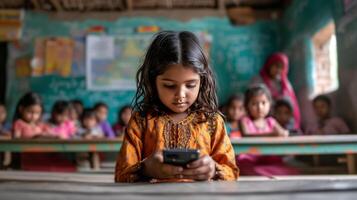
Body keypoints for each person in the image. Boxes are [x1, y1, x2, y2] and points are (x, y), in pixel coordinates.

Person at [115, 31, 238, 183]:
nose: (180, 95)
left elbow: (231, 172)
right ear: (153, 82)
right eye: (169, 85)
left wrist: (213, 169)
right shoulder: (141, 122)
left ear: (202, 81)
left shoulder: (212, 122)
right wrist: (146, 169)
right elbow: (121, 175)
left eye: (191, 85)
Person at [238, 85, 298, 176]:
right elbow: (246, 136)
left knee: (290, 170)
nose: (259, 107)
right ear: (247, 106)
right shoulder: (244, 121)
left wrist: (283, 134)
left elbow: (282, 134)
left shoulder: (271, 121)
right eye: (254, 104)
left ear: (270, 104)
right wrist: (272, 135)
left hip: (269, 157)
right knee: (245, 168)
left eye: (263, 103)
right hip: (250, 157)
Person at [252, 53, 301, 129]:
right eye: (275, 66)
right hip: (265, 117)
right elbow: (254, 99)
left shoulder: (285, 83)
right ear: (269, 65)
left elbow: (292, 102)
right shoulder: (258, 80)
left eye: (281, 68)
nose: (278, 70)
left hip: (284, 119)